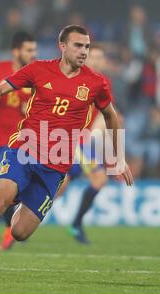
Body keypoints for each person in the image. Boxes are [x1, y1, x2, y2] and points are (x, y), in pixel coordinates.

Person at [0, 25, 133, 279]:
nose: (84, 51)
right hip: (24, 150)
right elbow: (0, 88)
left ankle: (17, 200)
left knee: (20, 233)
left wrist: (118, 158)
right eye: (78, 45)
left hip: (56, 166)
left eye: (87, 46)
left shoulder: (96, 82)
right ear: (63, 46)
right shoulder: (38, 69)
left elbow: (111, 116)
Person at [0, 31, 37, 251]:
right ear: (16, 51)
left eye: (34, 50)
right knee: (0, 186)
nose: (33, 54)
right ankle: (8, 229)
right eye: (29, 50)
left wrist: (32, 108)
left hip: (19, 139)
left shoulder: (36, 73)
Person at [55, 44, 113, 244]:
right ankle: (13, 214)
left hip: (83, 141)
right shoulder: (76, 78)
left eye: (100, 57)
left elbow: (103, 114)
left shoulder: (103, 83)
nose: (97, 61)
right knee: (93, 181)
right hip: (69, 138)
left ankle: (76, 223)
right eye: (93, 57)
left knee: (62, 187)